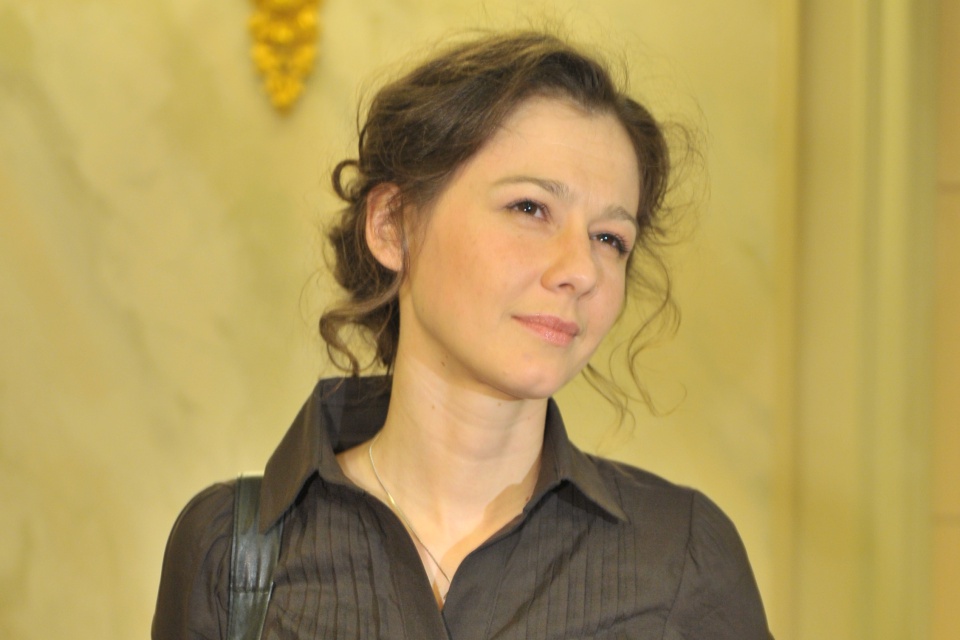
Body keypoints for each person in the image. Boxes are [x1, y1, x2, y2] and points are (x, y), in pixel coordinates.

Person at [153, 30, 772, 640]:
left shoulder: (683, 556)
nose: (582, 270)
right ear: (393, 225)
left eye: (610, 238)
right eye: (530, 208)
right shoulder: (228, 550)